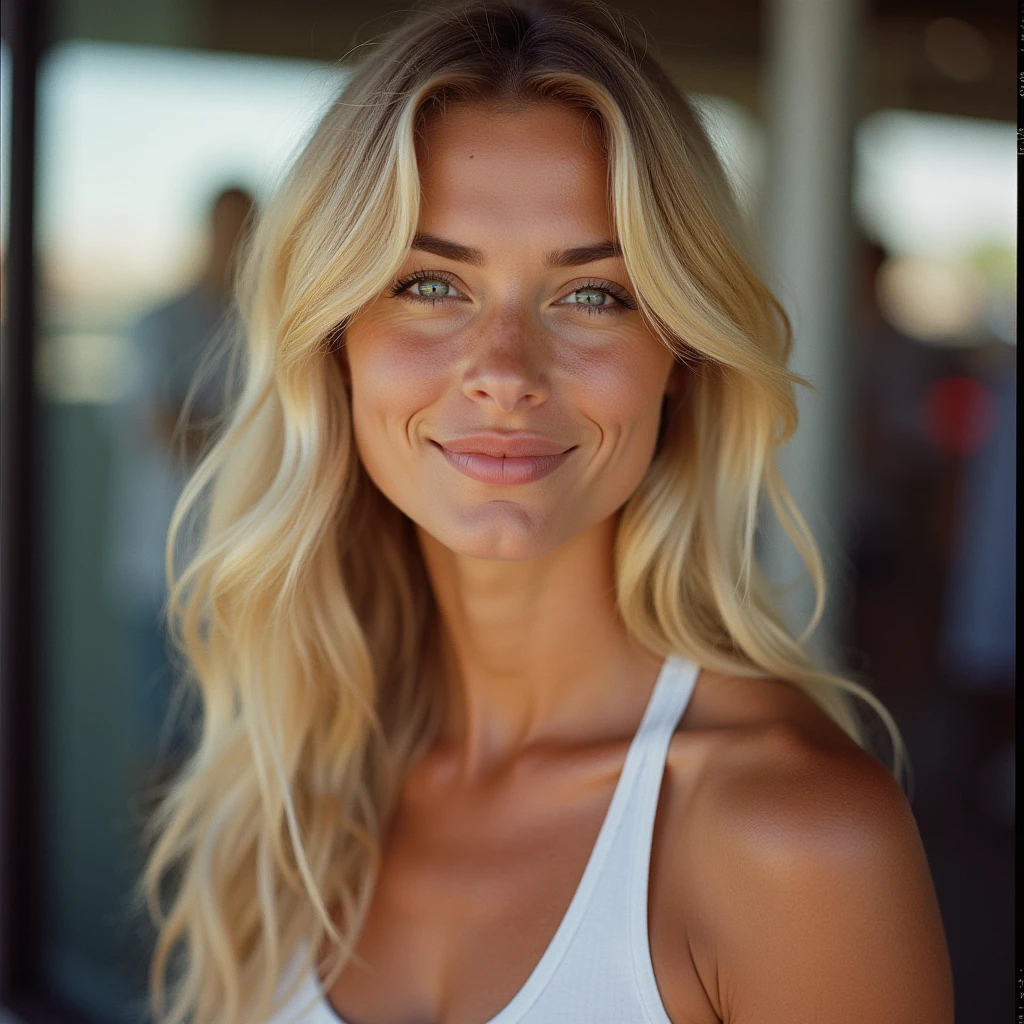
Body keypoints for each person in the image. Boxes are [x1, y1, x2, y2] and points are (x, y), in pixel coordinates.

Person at [136, 3, 954, 1023]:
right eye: (431, 283)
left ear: (680, 360)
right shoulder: (295, 787)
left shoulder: (795, 838)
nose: (505, 373)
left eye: (592, 295)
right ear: (334, 345)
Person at [102, 185, 254, 779]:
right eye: (230, 226)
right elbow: (162, 432)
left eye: (250, 228)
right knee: (162, 752)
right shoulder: (156, 324)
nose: (239, 242)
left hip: (241, 571)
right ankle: (157, 876)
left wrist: (213, 425)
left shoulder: (259, 326)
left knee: (238, 751)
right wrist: (249, 431)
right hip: (160, 574)